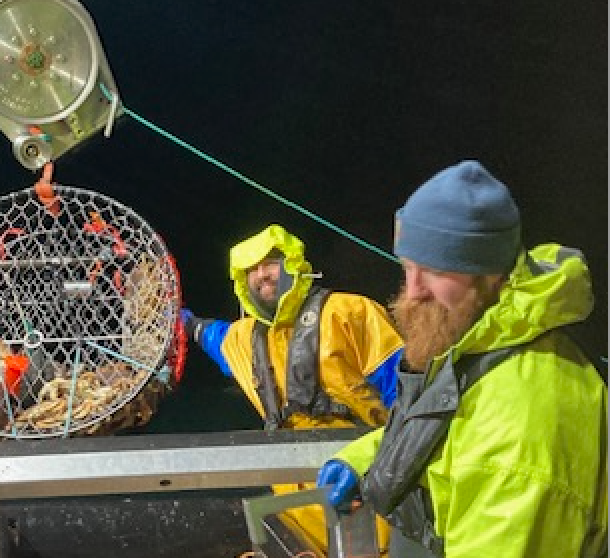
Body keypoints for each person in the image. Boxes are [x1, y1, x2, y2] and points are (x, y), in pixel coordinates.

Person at [318, 160, 608, 558]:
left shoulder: (519, 428)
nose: (414, 291)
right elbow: (448, 430)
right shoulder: (476, 341)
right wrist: (363, 459)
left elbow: (489, 451)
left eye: (436, 271)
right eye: (408, 267)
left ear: (491, 276)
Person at [183, 223, 404, 554]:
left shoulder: (350, 313)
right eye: (251, 270)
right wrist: (185, 323)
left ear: (292, 263)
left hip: (367, 491)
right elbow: (214, 336)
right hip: (297, 511)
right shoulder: (245, 340)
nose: (262, 275)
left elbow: (410, 402)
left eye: (270, 262)